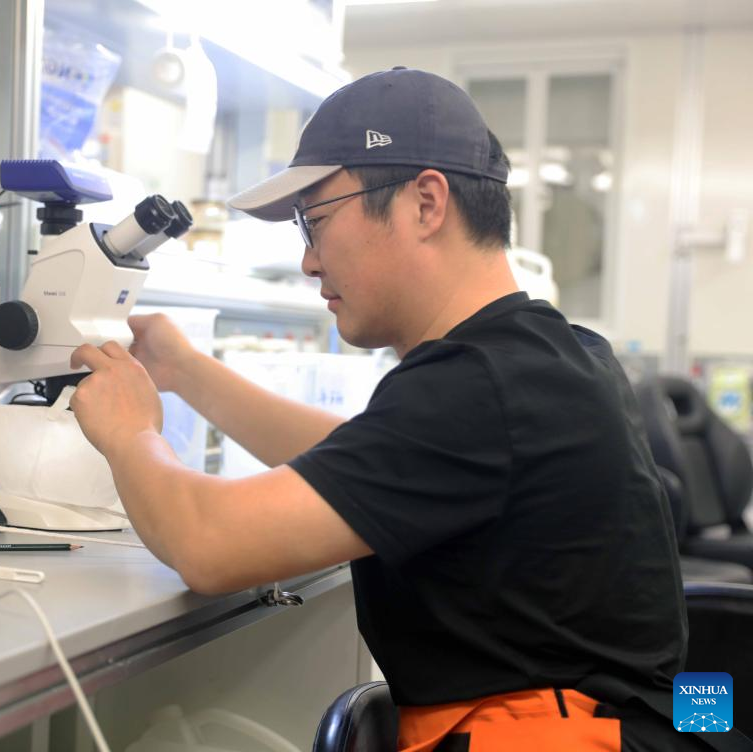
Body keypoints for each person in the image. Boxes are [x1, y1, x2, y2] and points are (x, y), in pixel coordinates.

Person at [69, 69, 739, 751]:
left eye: (315, 222)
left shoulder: (479, 383)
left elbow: (209, 547)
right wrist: (183, 370)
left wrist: (130, 431)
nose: (307, 260)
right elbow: (366, 459)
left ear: (425, 203)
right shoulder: (551, 354)